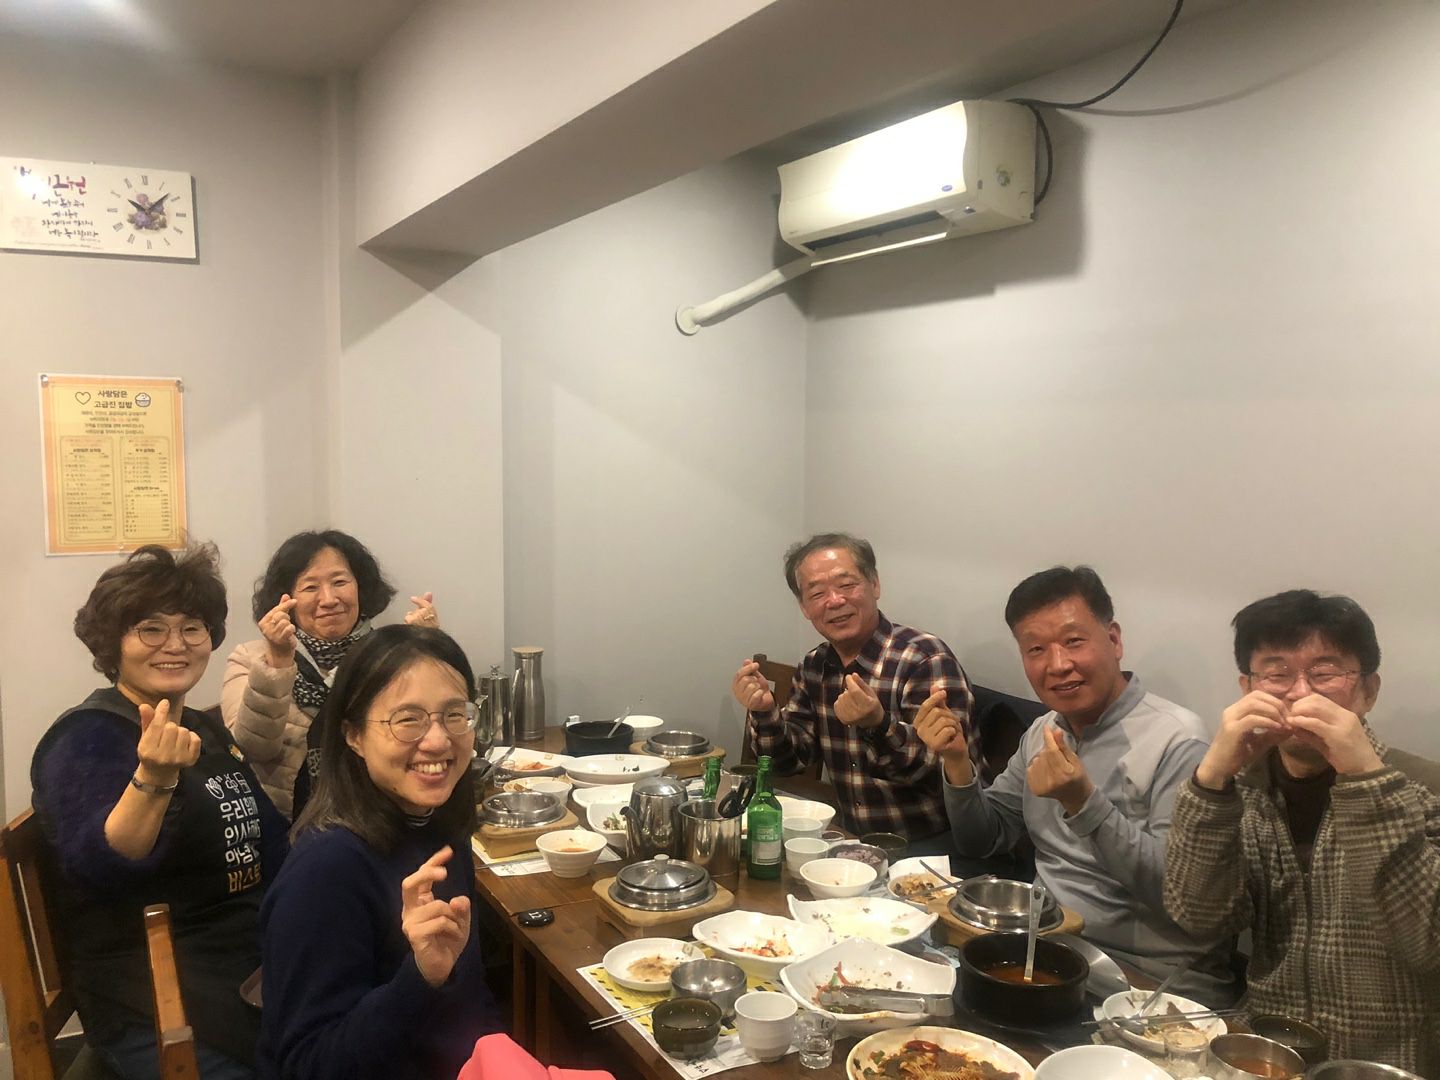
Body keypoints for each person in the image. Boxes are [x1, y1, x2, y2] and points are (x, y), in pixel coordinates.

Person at [30, 544, 288, 1080]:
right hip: (154, 996)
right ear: (113, 642)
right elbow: (101, 864)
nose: (175, 644)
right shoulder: (86, 737)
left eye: (192, 628)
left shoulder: (203, 727)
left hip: (248, 965)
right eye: (151, 629)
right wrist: (153, 777)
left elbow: (273, 844)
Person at [917, 566, 1233, 1002]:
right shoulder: (1044, 731)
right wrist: (957, 763)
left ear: (1114, 640)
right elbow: (983, 839)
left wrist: (1083, 802)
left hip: (1147, 977)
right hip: (1045, 951)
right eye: (1036, 649)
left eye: (1073, 641)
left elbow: (1178, 896)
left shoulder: (1179, 741)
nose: (1058, 664)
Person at [1164, 590, 1440, 1072]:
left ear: (1368, 691)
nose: (1300, 693)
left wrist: (1366, 780)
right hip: (1266, 1054)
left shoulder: (1424, 790)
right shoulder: (1244, 789)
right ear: (1247, 688)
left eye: (1325, 672)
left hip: (1384, 1065)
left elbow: (1427, 942)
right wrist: (1211, 780)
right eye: (1276, 674)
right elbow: (1198, 917)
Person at [257, 624, 503, 1080]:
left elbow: (472, 998)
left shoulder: (441, 829)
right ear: (353, 735)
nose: (438, 740)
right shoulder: (326, 869)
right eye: (408, 720)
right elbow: (309, 1065)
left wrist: (503, 1058)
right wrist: (420, 977)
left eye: (455, 715)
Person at [730, 533, 973, 850]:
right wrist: (765, 713)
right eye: (817, 593)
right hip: (853, 843)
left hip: (931, 846)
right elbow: (788, 762)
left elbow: (938, 772)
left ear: (875, 584)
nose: (834, 601)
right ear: (804, 607)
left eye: (846, 585)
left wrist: (878, 725)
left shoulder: (924, 658)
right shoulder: (815, 666)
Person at [222, 530, 439, 819]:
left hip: (381, 818)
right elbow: (253, 749)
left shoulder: (390, 656)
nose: (328, 599)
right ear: (285, 598)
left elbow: (433, 733)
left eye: (339, 582)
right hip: (287, 826)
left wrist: (429, 651)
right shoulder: (250, 659)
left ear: (360, 587)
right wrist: (277, 662)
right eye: (310, 587)